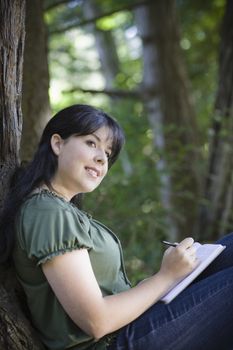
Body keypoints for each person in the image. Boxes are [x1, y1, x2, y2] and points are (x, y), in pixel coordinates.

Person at [1, 104, 233, 350]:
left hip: (133, 326)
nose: (102, 158)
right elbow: (96, 321)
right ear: (58, 144)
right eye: (91, 143)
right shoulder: (47, 213)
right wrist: (166, 276)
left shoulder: (59, 211)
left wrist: (158, 280)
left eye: (108, 153)